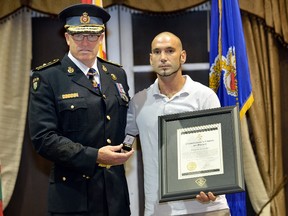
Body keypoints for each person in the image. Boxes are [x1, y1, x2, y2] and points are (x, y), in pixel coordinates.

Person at [28, 4, 134, 216]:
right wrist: (95, 156)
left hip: (115, 198)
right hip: (73, 198)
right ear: (67, 37)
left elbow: (126, 123)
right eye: (78, 35)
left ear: (101, 38)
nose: (85, 42)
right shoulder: (49, 77)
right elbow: (44, 138)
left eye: (92, 35)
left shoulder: (116, 74)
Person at [125, 32, 230, 216]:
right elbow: (120, 143)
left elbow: (219, 150)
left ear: (183, 56)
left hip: (207, 207)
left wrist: (215, 186)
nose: (163, 57)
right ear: (151, 59)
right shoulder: (138, 102)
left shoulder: (204, 96)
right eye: (157, 52)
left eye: (170, 51)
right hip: (158, 210)